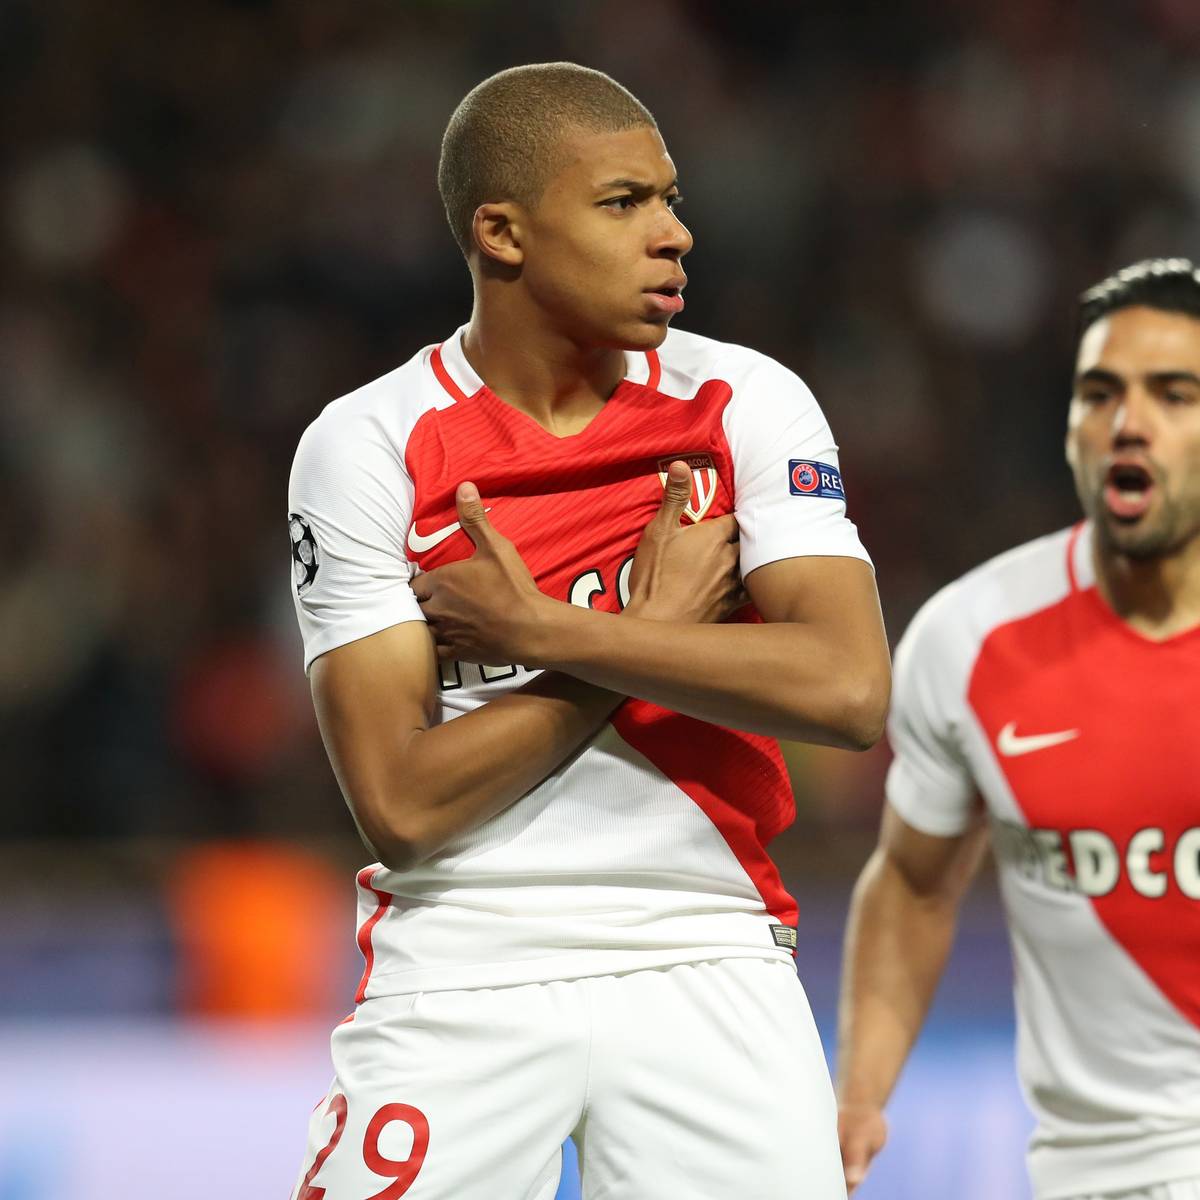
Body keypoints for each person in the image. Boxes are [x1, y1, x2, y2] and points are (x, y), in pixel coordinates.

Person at [287, 62, 890, 1200]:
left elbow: (851, 693)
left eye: (670, 199)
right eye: (624, 203)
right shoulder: (367, 443)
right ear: (502, 234)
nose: (676, 235)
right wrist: (643, 635)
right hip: (464, 952)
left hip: (708, 945)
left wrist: (545, 629)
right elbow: (404, 806)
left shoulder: (745, 402)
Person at [836, 257, 1200, 1200]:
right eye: (1099, 393)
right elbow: (913, 884)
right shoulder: (969, 641)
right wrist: (860, 1093)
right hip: (1095, 1174)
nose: (1129, 422)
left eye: (1174, 394)